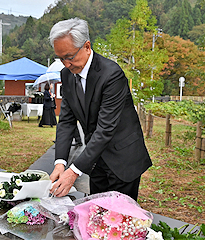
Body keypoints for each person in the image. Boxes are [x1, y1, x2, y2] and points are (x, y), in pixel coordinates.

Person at [49, 18, 152, 201]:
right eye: (61, 58)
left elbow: (105, 129)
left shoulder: (111, 75)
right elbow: (66, 120)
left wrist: (73, 172)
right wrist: (60, 163)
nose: (66, 64)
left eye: (70, 57)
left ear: (87, 46)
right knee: (96, 212)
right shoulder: (67, 75)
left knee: (119, 218)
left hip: (123, 158)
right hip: (95, 159)